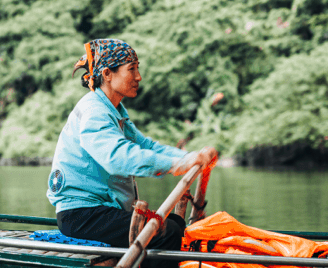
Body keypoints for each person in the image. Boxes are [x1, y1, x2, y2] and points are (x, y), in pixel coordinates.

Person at [46, 38, 218, 256]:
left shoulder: (114, 109)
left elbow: (146, 145)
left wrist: (190, 157)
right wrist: (176, 164)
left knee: (174, 223)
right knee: (170, 232)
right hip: (81, 214)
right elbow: (118, 157)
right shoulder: (94, 111)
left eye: (138, 69)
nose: (138, 77)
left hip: (100, 211)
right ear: (107, 74)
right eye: (132, 69)